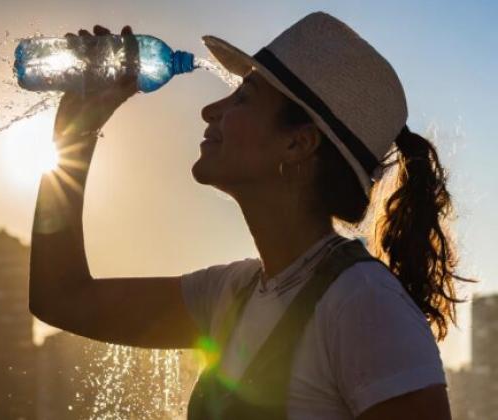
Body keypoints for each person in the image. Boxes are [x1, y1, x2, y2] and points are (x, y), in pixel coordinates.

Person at [28, 12, 471, 420]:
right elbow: (61, 298)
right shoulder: (233, 293)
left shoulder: (364, 304)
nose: (210, 111)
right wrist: (74, 131)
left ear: (298, 144)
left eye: (244, 98)